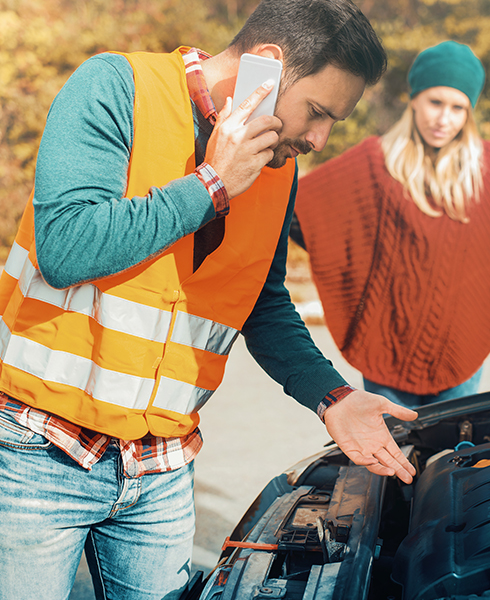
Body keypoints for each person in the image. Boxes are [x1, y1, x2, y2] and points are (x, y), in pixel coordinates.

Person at [0, 1, 419, 598]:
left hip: (163, 466)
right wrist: (210, 186)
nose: (321, 139)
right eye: (318, 113)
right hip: (40, 450)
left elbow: (262, 303)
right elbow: (66, 248)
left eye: (335, 123)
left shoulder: (277, 167)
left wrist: (332, 398)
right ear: (267, 68)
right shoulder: (116, 86)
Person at [292, 40, 490, 408]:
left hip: (461, 349)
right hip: (385, 339)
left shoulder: (489, 167)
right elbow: (298, 206)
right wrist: (352, 261)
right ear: (415, 99)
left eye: (458, 108)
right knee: (392, 453)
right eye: (436, 103)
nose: (444, 119)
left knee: (452, 453)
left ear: (469, 112)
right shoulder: (376, 161)